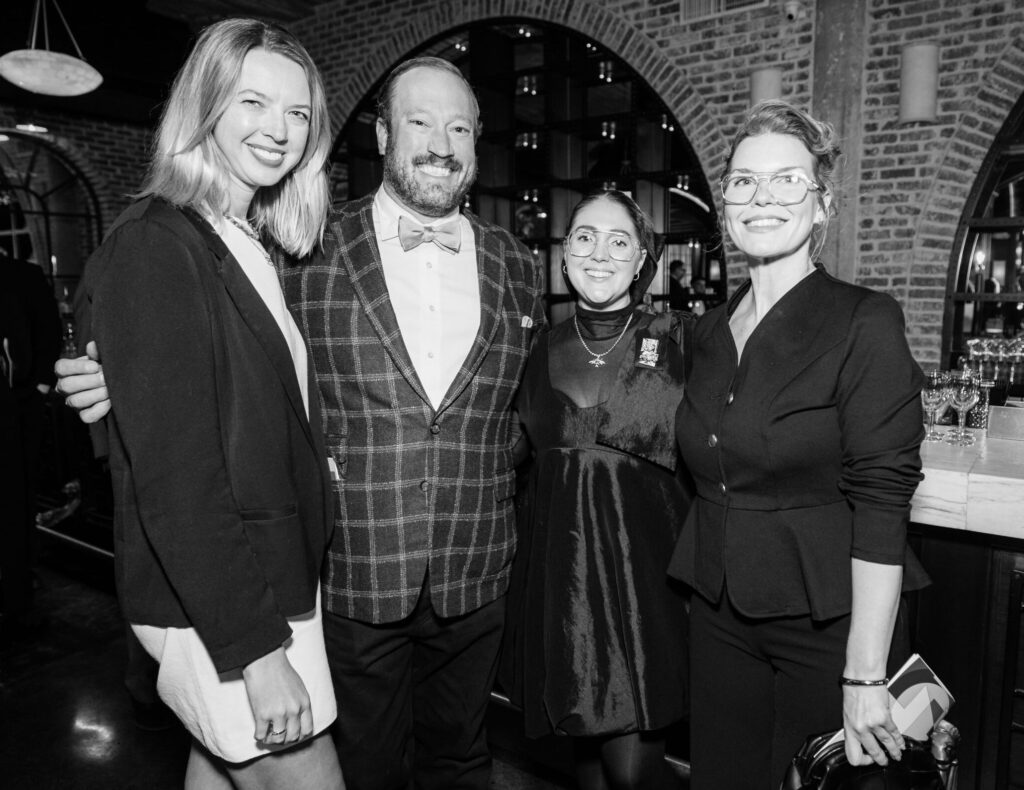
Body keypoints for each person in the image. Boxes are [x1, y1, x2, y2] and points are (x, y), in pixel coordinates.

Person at [58, 55, 546, 790]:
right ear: (383, 134)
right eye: (419, 121)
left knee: (461, 760)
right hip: (346, 569)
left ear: (479, 141)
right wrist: (102, 368)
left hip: (477, 565)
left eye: (459, 127)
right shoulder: (304, 244)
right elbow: (194, 343)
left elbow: (521, 406)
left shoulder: (517, 262)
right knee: (360, 766)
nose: (440, 143)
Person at [68, 18, 343, 790]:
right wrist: (257, 655)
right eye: (254, 102)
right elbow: (179, 477)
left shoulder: (238, 237)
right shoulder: (159, 242)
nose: (280, 130)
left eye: (298, 114)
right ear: (206, 106)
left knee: (219, 771)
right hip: (228, 606)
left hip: (255, 584)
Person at [668, 99, 929, 788]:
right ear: (724, 204)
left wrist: (864, 672)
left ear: (822, 205)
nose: (763, 198)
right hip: (720, 614)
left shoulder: (862, 321)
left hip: (830, 627)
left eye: (788, 180)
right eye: (745, 182)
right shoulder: (709, 332)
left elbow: (882, 503)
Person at [502, 190, 692, 789]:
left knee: (633, 774)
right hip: (567, 589)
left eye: (619, 241)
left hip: (646, 591)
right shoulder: (534, 350)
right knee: (585, 759)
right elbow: (507, 455)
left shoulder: (682, 341)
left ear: (642, 260)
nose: (600, 253)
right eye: (585, 237)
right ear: (564, 256)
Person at [0, 252, 61, 639]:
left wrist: (37, 386)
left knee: (15, 505)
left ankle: (18, 598)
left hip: (15, 408)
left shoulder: (22, 274)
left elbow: (48, 328)